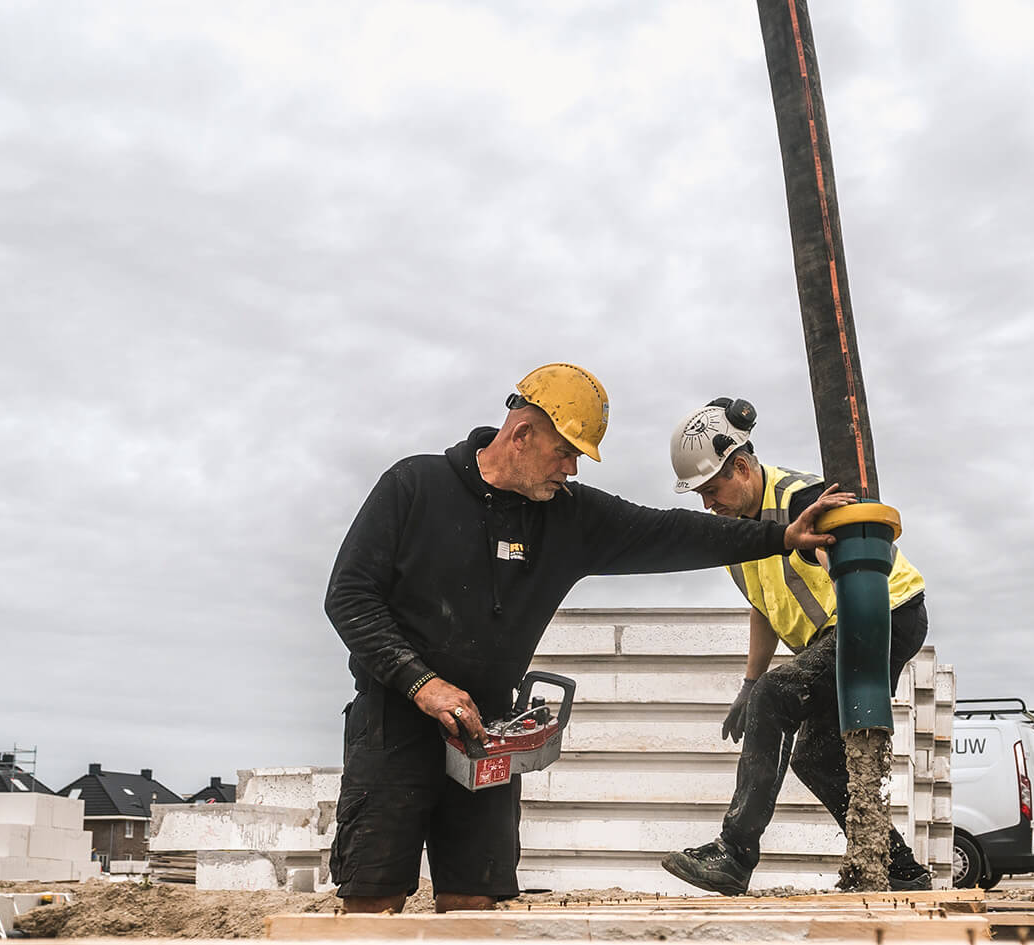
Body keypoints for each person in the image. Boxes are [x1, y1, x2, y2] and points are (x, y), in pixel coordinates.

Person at [324, 365, 852, 914]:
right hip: (395, 723)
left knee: (474, 903)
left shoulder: (567, 518)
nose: (572, 469)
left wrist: (779, 535)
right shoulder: (415, 487)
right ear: (521, 435)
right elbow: (350, 596)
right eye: (565, 452)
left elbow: (668, 531)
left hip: (487, 733)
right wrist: (423, 685)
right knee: (373, 896)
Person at [656, 397, 933, 896]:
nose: (707, 504)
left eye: (712, 490)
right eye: (698, 494)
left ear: (741, 467)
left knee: (778, 692)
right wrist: (747, 684)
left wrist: (769, 687)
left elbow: (851, 561)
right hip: (836, 632)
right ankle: (901, 870)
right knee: (814, 755)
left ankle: (734, 854)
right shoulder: (738, 536)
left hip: (886, 612)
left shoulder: (801, 499)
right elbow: (762, 606)